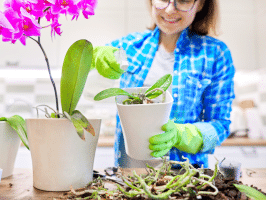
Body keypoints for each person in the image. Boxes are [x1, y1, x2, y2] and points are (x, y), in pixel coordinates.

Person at [98, 0, 235, 168]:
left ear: (200, 4)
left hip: (185, 176)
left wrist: (183, 136)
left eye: (183, 0)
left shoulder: (215, 54)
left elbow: (220, 125)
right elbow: (83, 60)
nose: (170, 9)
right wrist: (96, 54)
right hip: (128, 175)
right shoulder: (129, 46)